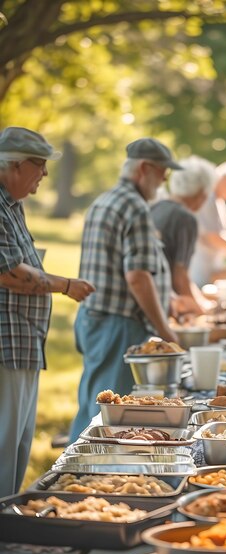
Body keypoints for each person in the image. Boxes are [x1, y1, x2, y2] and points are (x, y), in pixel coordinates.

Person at [0, 127, 94, 497]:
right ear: (15, 165)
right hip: (5, 342)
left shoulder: (13, 205)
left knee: (18, 443)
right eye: (40, 165)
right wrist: (66, 285)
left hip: (23, 340)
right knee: (5, 441)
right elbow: (8, 272)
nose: (45, 174)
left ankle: (8, 522)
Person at [70, 138, 182, 443]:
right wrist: (165, 331)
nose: (165, 181)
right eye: (162, 173)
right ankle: (85, 482)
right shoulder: (135, 207)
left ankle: (77, 475)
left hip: (96, 317)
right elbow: (137, 277)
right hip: (118, 324)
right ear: (144, 169)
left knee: (93, 405)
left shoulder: (104, 200)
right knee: (109, 416)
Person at [151, 156, 216, 313]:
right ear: (201, 193)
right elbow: (180, 276)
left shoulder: (157, 207)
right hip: (164, 303)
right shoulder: (186, 218)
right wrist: (201, 309)